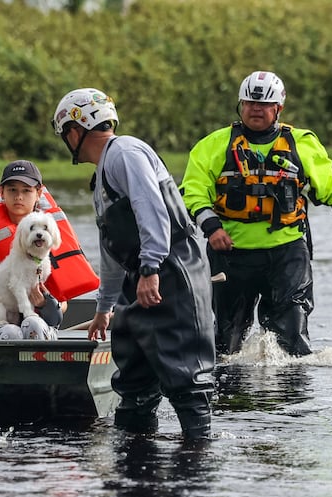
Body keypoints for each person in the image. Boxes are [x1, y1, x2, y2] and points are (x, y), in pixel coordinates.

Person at [52, 88, 216, 441]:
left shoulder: (124, 152)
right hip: (140, 279)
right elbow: (111, 249)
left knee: (187, 380)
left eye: (65, 133)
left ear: (75, 130)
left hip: (171, 272)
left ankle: (198, 466)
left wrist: (150, 268)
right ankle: (135, 478)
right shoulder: (102, 176)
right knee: (134, 386)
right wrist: (104, 307)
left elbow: (151, 208)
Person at [180, 71, 332, 356]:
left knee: (291, 340)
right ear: (241, 105)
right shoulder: (212, 145)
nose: (255, 109)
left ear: (278, 109)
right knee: (227, 341)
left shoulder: (302, 144)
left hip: (287, 253)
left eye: (263, 105)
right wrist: (212, 228)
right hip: (231, 253)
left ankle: (291, 398)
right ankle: (230, 397)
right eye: (249, 103)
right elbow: (192, 191)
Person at [0, 160, 63, 340]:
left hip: (41, 320)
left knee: (33, 324)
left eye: (26, 190)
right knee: (10, 332)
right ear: (1, 192)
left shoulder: (51, 231)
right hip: (2, 319)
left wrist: (45, 303)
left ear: (38, 193)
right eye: (12, 190)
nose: (19, 196)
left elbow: (63, 303)